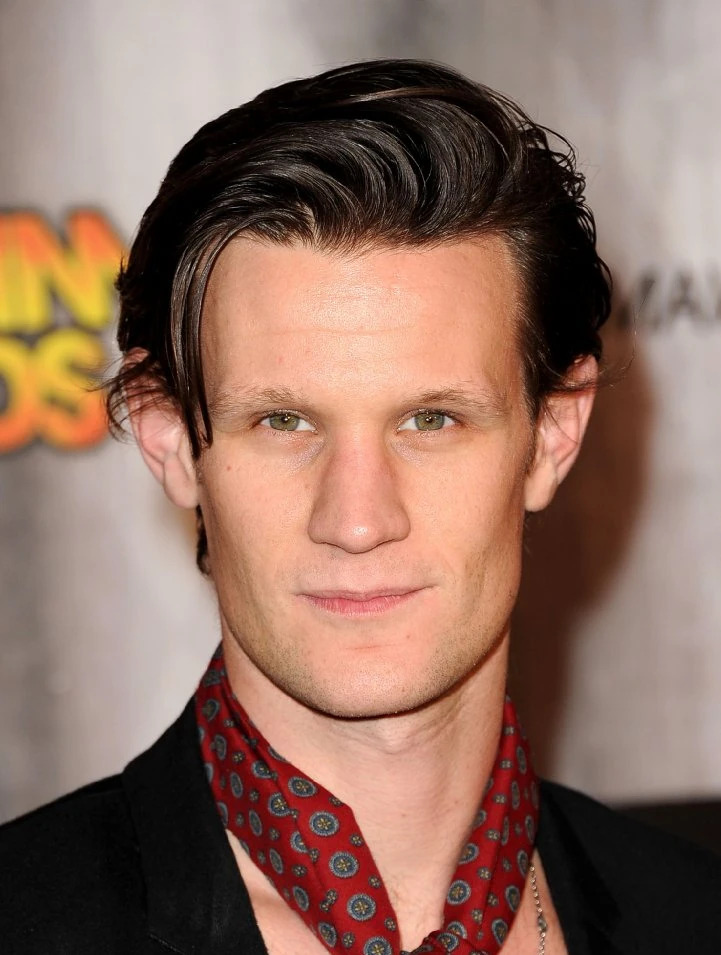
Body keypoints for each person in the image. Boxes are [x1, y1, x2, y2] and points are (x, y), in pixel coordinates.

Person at [1, 58, 719, 955]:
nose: (356, 519)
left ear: (551, 436)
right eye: (283, 421)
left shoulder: (694, 917)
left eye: (431, 420)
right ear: (172, 441)